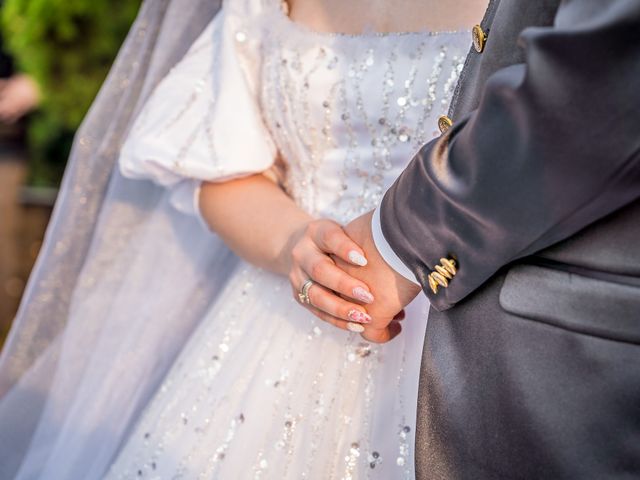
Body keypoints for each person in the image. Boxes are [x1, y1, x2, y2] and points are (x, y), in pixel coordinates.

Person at [0, 0, 485, 478]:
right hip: (273, 324)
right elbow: (217, 167)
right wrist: (298, 243)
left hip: (465, 328)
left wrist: (411, 247)